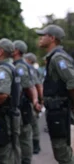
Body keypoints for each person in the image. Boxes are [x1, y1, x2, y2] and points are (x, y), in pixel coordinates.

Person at [36, 24, 74, 164]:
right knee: (61, 153)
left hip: (59, 110)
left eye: (43, 35)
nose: (40, 39)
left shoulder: (58, 58)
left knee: (62, 153)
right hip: (56, 110)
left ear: (52, 38)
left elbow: (72, 81)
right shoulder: (53, 57)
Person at [0, 38, 21, 164]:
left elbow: (3, 93)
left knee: (3, 153)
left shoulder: (3, 69)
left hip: (4, 116)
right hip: (11, 114)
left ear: (0, 51)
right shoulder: (12, 66)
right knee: (13, 150)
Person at [13, 40, 40, 164]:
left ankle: (25, 161)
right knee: (25, 135)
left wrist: (34, 101)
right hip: (26, 105)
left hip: (23, 106)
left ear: (17, 50)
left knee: (23, 137)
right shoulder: (22, 65)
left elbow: (29, 87)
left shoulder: (20, 66)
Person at [24, 52, 43, 154]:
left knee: (32, 123)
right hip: (33, 99)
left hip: (31, 100)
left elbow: (37, 85)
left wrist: (38, 100)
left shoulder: (30, 69)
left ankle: (35, 145)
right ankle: (35, 144)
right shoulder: (33, 69)